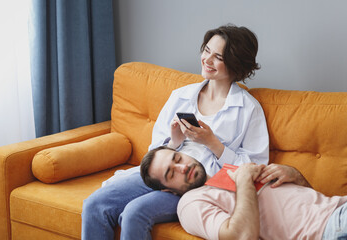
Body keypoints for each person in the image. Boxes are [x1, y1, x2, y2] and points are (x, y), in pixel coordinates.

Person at [82, 24, 269, 240]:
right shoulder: (181, 95)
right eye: (206, 50)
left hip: (196, 183)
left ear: (235, 64)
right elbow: (154, 152)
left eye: (218, 56)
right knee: (95, 205)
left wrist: (214, 144)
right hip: (161, 172)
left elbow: (255, 167)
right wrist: (174, 142)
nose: (207, 60)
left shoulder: (248, 109)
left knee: (134, 213)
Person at [140, 146, 347, 240]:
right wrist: (244, 179)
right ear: (168, 189)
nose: (182, 167)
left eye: (178, 159)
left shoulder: (227, 172)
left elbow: (311, 204)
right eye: (171, 173)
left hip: (337, 208)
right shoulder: (190, 203)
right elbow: (241, 236)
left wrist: (297, 177)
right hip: (328, 229)